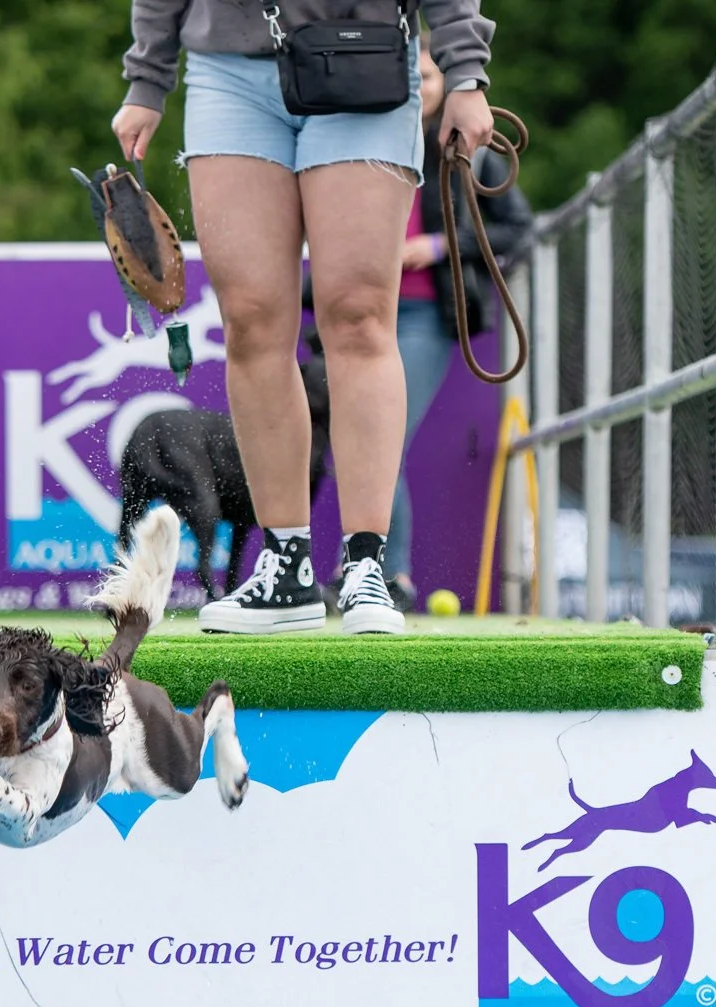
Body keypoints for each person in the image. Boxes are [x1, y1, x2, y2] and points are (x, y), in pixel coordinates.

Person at [117, 0, 497, 637]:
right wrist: (147, 76)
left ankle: (366, 566)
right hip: (228, 68)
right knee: (252, 320)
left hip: (366, 58)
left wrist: (463, 72)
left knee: (357, 316)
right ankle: (285, 566)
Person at [388, 41, 530, 604]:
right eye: (408, 76)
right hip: (354, 316)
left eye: (424, 75)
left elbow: (517, 228)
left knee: (383, 440)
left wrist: (441, 243)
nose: (417, 86)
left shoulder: (466, 146)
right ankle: (369, 573)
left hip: (425, 315)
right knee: (353, 443)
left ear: (446, 83)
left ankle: (388, 575)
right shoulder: (364, 140)